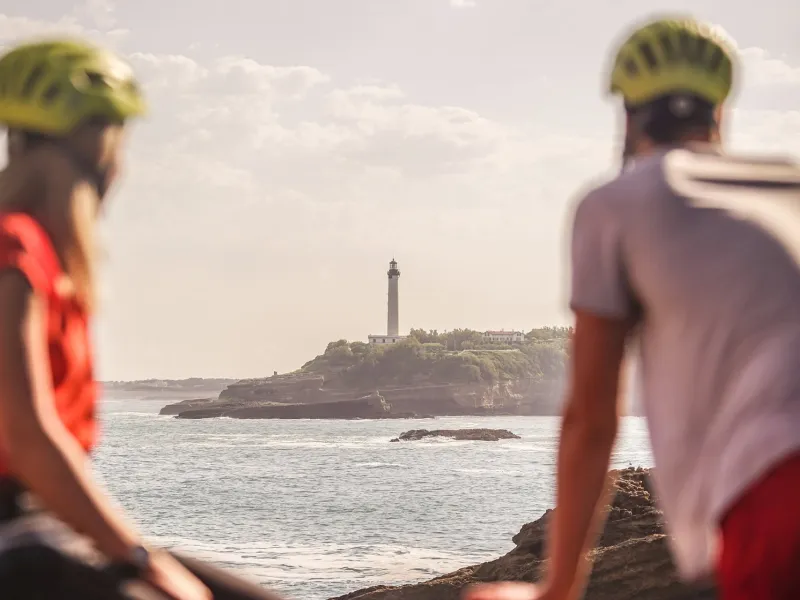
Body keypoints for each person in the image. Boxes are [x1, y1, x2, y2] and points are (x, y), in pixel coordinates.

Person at [464, 15, 800, 600]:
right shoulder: (789, 187)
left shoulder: (618, 202)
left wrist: (557, 589)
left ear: (627, 114)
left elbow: (593, 416)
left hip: (775, 499)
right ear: (720, 111)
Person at [0, 39, 283, 600]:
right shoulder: (17, 249)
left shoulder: (45, 258)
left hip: (37, 524)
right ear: (100, 149)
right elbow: (26, 435)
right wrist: (136, 557)